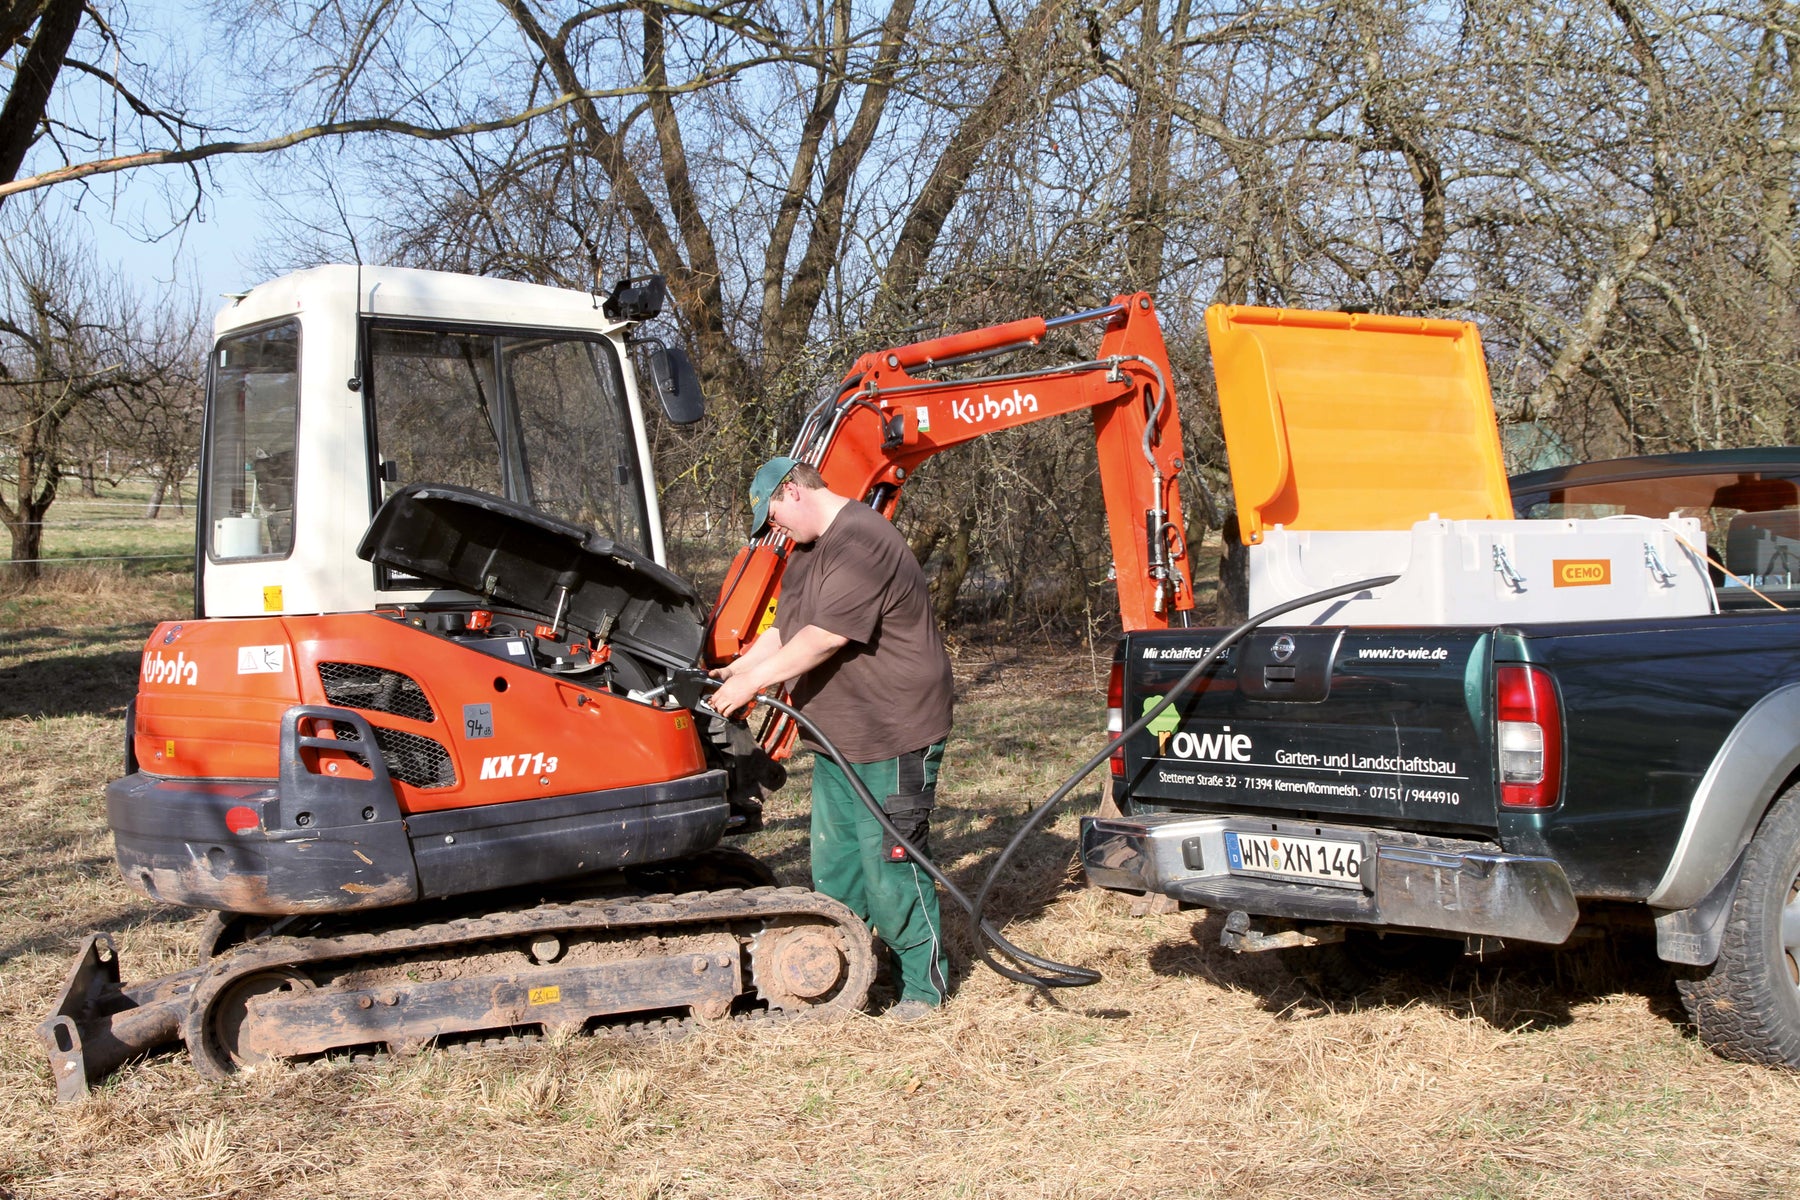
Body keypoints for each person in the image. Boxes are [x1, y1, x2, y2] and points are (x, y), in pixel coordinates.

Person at [710, 457, 954, 1018]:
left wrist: (753, 682)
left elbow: (824, 637)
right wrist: (735, 669)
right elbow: (786, 630)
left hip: (894, 731)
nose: (776, 531)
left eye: (773, 516)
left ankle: (923, 988)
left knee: (891, 865)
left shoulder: (863, 541)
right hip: (839, 735)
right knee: (839, 868)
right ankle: (849, 977)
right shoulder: (807, 551)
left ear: (793, 491)